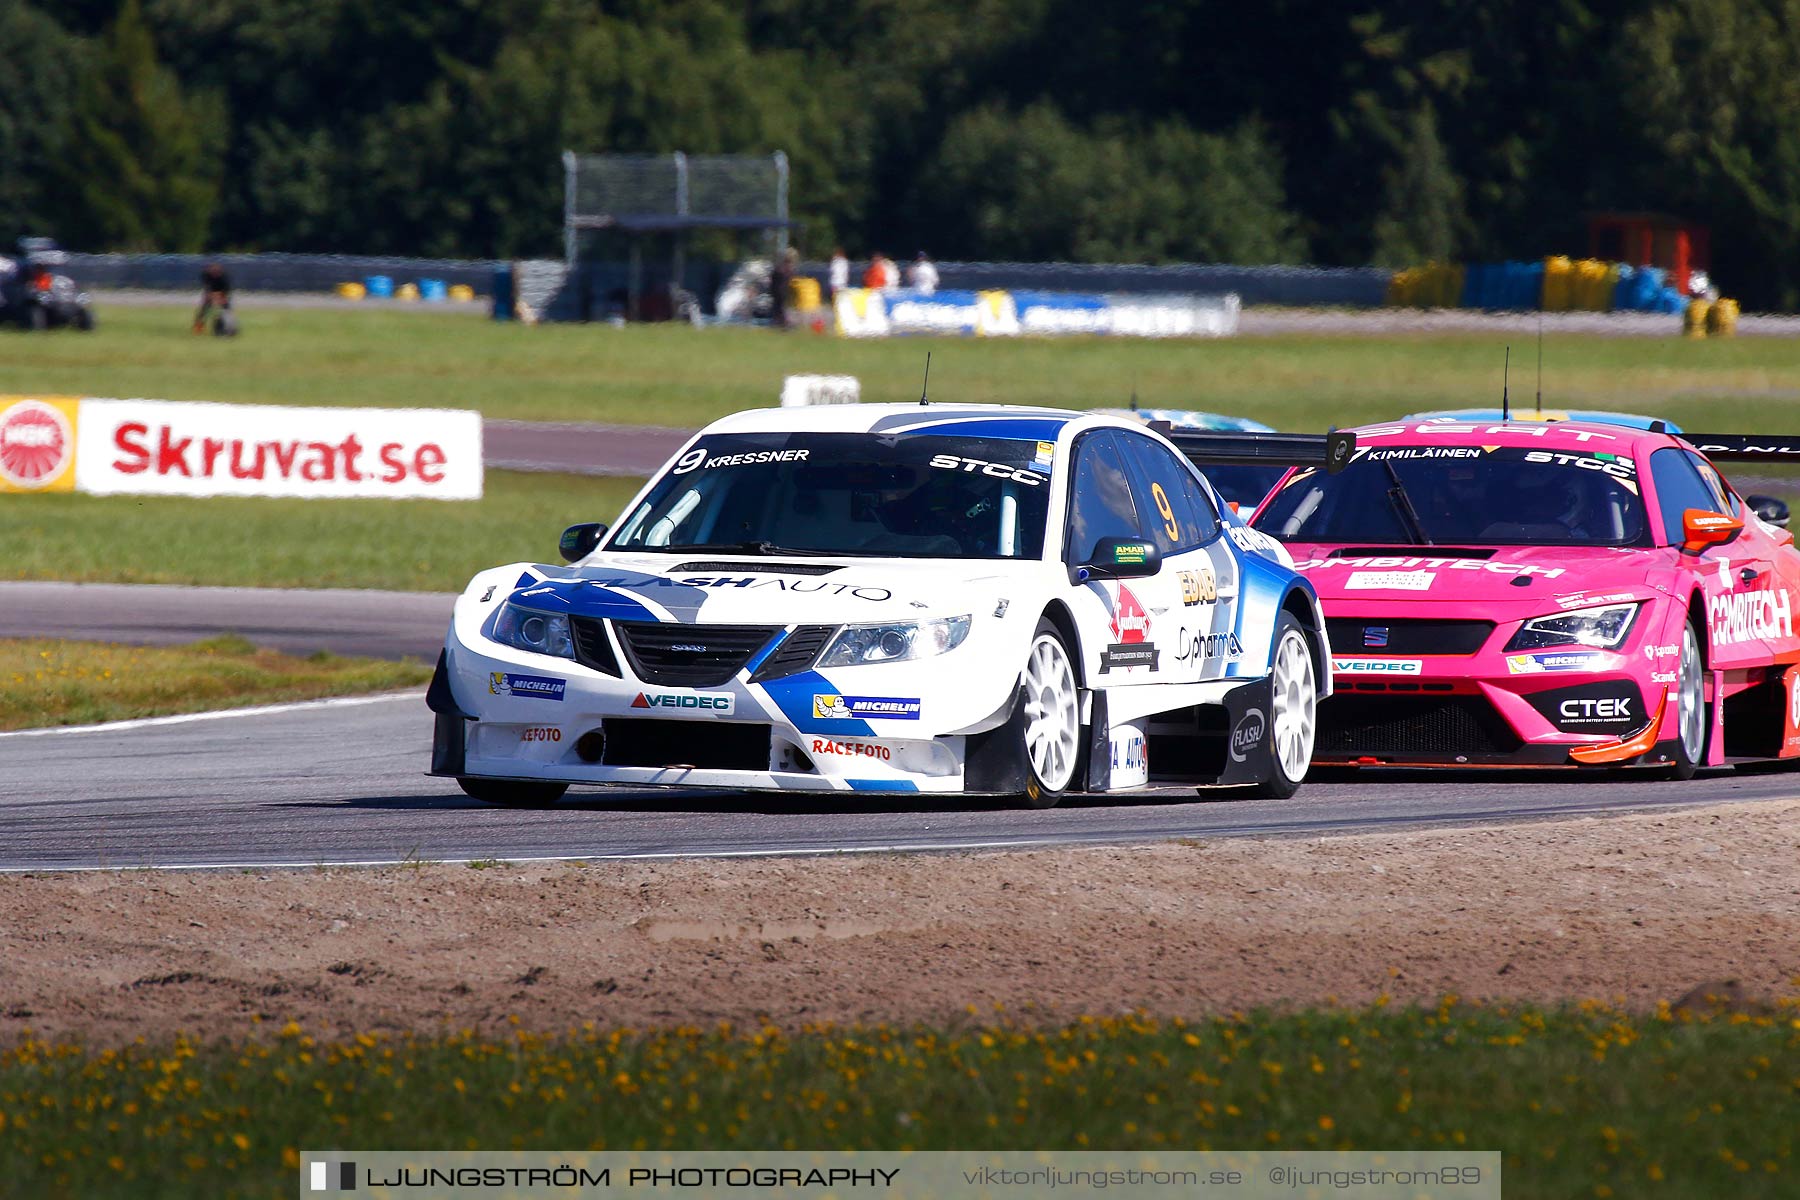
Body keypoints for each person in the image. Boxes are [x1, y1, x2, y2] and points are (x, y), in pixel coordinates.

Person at [194, 262, 233, 334]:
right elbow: (207, 287)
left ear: (220, 272)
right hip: (211, 292)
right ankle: (198, 328)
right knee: (204, 310)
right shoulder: (206, 275)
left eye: (217, 273)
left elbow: (226, 291)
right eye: (213, 272)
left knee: (226, 309)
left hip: (222, 292)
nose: (215, 274)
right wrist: (210, 296)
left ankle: (229, 327)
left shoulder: (224, 277)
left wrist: (221, 299)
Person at [769, 247, 797, 329]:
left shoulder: (781, 268)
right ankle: (780, 322)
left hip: (779, 290)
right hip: (780, 290)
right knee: (779, 307)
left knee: (779, 307)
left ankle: (780, 321)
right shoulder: (784, 269)